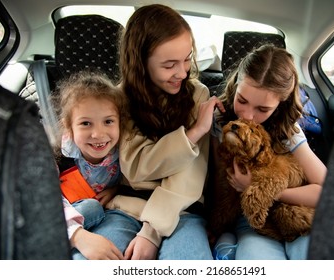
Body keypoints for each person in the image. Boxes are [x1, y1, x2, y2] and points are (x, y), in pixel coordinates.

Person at [105, 3, 224, 260]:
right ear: (140, 62)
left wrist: (152, 231)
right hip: (127, 206)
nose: (182, 72)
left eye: (187, 59)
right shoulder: (119, 98)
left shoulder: (198, 94)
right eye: (169, 65)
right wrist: (191, 134)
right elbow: (136, 167)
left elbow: (189, 175)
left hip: (183, 210)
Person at [210, 44, 327, 260]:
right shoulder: (220, 122)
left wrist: (264, 190)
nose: (247, 116)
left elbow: (328, 191)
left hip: (297, 211)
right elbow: (219, 184)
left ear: (280, 105)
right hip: (252, 219)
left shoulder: (289, 131)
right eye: (242, 100)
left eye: (263, 109)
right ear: (236, 85)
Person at [53, 70, 126, 260]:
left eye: (108, 121)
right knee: (91, 208)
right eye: (86, 123)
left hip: (109, 216)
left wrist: (116, 189)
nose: (98, 134)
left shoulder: (125, 153)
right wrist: (77, 236)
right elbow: (45, 201)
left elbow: (137, 182)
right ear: (69, 127)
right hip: (65, 220)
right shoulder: (58, 155)